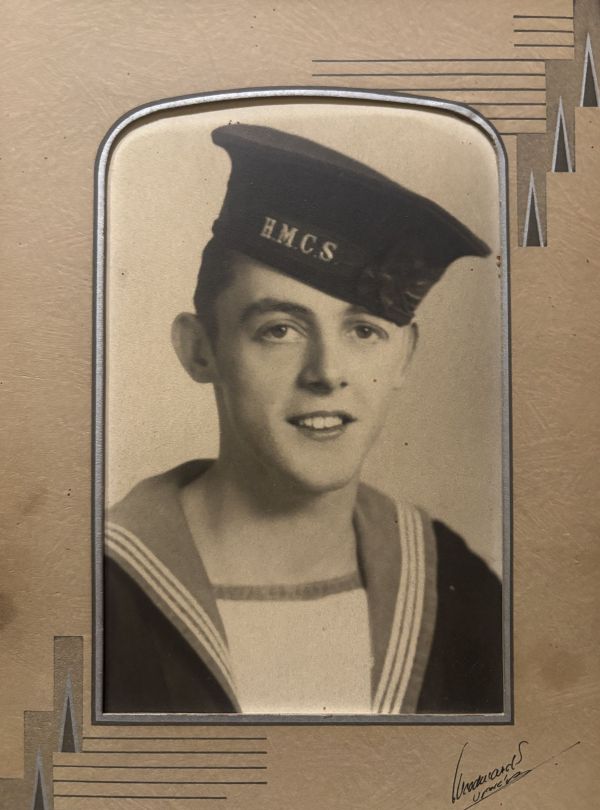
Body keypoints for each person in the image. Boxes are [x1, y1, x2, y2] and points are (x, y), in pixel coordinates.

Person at [103, 123, 503, 716]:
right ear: (200, 350)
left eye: (363, 330)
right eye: (280, 330)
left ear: (405, 357)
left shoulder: (460, 593)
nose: (327, 373)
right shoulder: (99, 588)